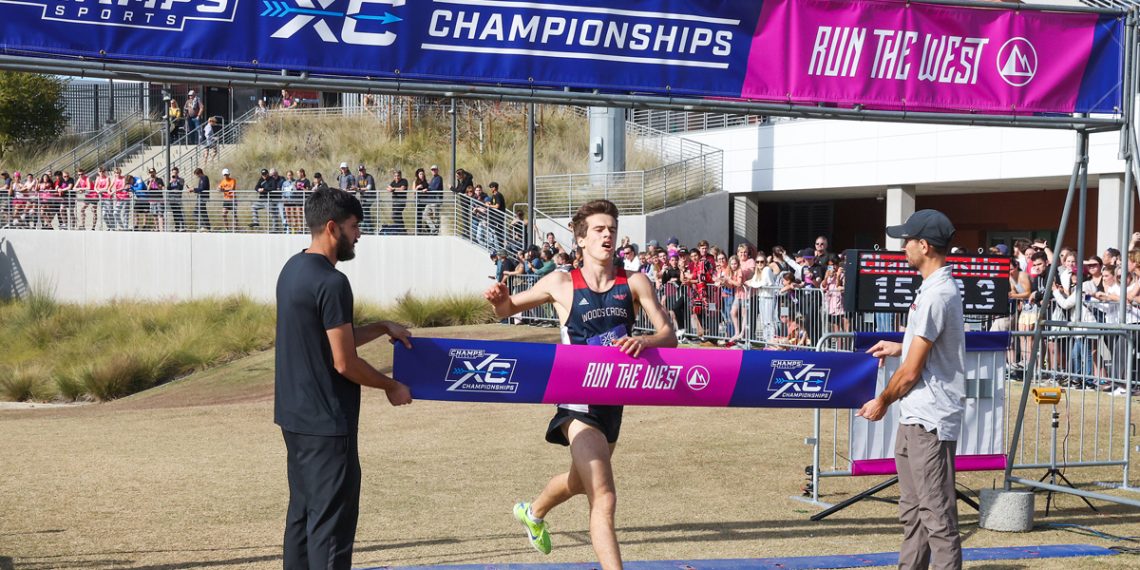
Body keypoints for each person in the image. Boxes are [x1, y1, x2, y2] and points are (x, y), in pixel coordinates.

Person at [483, 199, 675, 570]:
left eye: (612, 229)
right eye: (600, 229)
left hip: (614, 400)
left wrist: (646, 341)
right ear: (582, 239)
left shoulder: (634, 282)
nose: (608, 235)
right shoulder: (560, 282)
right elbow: (507, 310)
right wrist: (499, 299)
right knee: (603, 497)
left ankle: (533, 512)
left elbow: (669, 334)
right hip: (577, 401)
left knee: (579, 480)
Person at [275, 187, 413, 570]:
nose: (359, 235)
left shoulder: (293, 268)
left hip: (295, 419)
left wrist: (384, 326)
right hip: (326, 425)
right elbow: (344, 362)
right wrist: (391, 386)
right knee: (331, 529)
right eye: (355, 227)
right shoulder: (333, 283)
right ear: (333, 227)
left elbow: (332, 334)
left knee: (302, 518)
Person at [857, 209, 965, 570]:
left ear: (924, 245)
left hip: (929, 418)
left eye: (907, 240)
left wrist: (882, 401)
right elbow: (927, 344)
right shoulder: (935, 289)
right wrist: (899, 345)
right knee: (914, 513)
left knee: (936, 516)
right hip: (918, 415)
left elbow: (911, 372)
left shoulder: (938, 293)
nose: (902, 247)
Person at [168, 167, 186, 231]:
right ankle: (177, 227)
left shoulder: (181, 179)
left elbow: (180, 188)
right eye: (173, 172)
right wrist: (170, 182)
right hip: (172, 199)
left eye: (175, 172)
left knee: (180, 213)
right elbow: (168, 188)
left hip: (178, 198)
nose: (174, 174)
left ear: (177, 173)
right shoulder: (170, 180)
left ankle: (182, 227)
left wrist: (177, 181)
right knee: (175, 213)